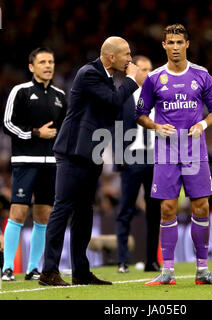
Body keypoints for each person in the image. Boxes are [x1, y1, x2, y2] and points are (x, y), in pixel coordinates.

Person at [39, 37, 139, 286]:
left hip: (91, 152)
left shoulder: (105, 78)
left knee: (84, 213)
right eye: (126, 54)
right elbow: (115, 101)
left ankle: (81, 271)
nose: (130, 59)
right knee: (62, 209)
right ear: (111, 57)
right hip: (73, 151)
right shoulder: (88, 73)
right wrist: (132, 81)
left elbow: (113, 109)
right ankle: (48, 271)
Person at [135, 24, 212, 285]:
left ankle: (202, 270)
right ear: (163, 46)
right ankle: (167, 271)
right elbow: (140, 114)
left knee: (202, 207)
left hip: (194, 151)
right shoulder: (154, 78)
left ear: (187, 44)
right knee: (167, 208)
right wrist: (155, 125)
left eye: (179, 42)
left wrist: (203, 124)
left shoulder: (201, 75)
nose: (175, 47)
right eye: (170, 42)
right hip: (166, 151)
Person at [2, 47, 67, 281]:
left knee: (43, 216)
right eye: (42, 62)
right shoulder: (20, 91)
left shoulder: (60, 96)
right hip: (25, 161)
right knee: (18, 212)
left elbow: (65, 128)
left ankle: (32, 268)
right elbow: (7, 124)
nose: (48, 66)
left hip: (51, 164)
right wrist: (35, 133)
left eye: (51, 61)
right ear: (32, 67)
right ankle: (7, 267)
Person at [115, 55, 161, 273]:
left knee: (154, 211)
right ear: (132, 72)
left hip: (154, 157)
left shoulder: (158, 96)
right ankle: (123, 260)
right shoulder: (124, 96)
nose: (148, 73)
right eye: (143, 68)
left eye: (150, 68)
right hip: (131, 158)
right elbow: (114, 125)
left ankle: (152, 260)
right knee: (126, 210)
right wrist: (119, 157)